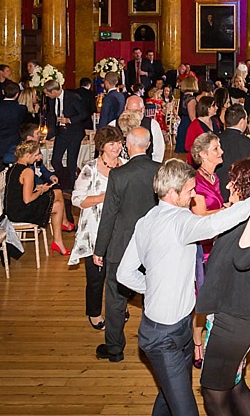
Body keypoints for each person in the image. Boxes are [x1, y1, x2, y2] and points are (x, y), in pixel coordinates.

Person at [116, 159, 250, 416]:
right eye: (190, 190)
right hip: (165, 337)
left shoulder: (146, 220)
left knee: (168, 395)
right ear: (173, 193)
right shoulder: (181, 221)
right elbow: (213, 225)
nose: (195, 195)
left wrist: (155, 288)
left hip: (177, 327)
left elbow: (124, 274)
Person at [196, 158, 250, 416]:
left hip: (233, 321)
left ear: (246, 187)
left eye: (235, 181)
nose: (229, 185)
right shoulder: (244, 216)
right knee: (235, 384)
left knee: (213, 392)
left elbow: (243, 259)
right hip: (236, 314)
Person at [92, 127, 159, 363]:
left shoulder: (119, 175)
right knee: (154, 293)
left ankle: (114, 348)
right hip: (153, 244)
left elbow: (109, 215)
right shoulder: (159, 171)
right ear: (148, 145)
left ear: (128, 146)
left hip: (122, 244)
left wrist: (99, 249)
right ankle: (155, 344)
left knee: (115, 297)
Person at [69, 126, 125, 331]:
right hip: (94, 231)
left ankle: (117, 309)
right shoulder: (90, 169)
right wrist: (105, 197)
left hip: (119, 231)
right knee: (96, 278)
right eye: (112, 144)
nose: (117, 147)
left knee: (119, 274)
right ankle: (94, 313)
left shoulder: (125, 166)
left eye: (119, 142)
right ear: (101, 147)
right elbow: (76, 199)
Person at [188, 132, 227, 370]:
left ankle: (214, 340)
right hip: (202, 251)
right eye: (215, 148)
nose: (221, 151)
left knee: (217, 299)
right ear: (202, 155)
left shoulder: (213, 177)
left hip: (217, 246)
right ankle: (196, 344)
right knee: (201, 302)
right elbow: (200, 217)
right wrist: (228, 209)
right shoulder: (197, 181)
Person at [5, 140, 69, 255]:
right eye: (36, 155)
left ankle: (58, 241)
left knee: (58, 204)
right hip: (22, 211)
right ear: (28, 155)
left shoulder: (12, 168)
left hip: (12, 209)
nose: (37, 158)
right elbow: (27, 199)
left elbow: (18, 192)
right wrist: (41, 191)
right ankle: (61, 231)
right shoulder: (28, 171)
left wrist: (36, 189)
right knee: (58, 193)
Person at [44, 79, 90, 193]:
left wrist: (69, 120)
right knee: (55, 160)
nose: (46, 95)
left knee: (71, 161)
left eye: (47, 93)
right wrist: (51, 133)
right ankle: (64, 179)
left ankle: (70, 188)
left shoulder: (73, 97)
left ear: (54, 91)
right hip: (61, 133)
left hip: (74, 132)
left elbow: (84, 113)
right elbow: (51, 116)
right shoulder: (52, 100)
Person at [184, 95, 218, 165]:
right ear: (207, 108)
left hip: (212, 159)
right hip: (198, 161)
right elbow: (188, 146)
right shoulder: (195, 125)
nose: (216, 108)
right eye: (214, 106)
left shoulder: (215, 121)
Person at [175, 75, 199, 154]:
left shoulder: (184, 97)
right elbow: (192, 117)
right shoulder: (191, 99)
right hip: (188, 126)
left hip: (183, 124)